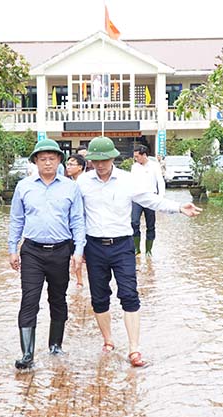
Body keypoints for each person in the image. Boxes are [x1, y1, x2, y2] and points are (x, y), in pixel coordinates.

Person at [77, 136, 201, 368]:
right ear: (90, 161)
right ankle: (108, 341)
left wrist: (177, 207)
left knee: (129, 294)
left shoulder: (127, 180)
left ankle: (134, 349)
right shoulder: (82, 183)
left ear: (114, 158)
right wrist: (78, 247)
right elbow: (74, 216)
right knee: (99, 297)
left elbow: (150, 200)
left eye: (105, 160)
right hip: (94, 247)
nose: (101, 165)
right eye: (96, 160)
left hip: (122, 246)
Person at [8, 139, 86, 370]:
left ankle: (55, 344)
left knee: (58, 298)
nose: (48, 163)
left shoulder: (70, 187)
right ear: (35, 162)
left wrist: (78, 251)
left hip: (61, 250)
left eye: (52, 158)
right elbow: (16, 220)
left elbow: (78, 221)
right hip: (32, 251)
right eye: (43, 159)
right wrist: (13, 249)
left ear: (59, 160)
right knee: (29, 299)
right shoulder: (24, 186)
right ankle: (27, 353)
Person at [130, 145, 165, 256]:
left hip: (151, 198)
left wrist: (160, 197)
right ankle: (136, 248)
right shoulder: (134, 167)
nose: (136, 159)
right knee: (134, 222)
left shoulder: (155, 166)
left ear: (144, 155)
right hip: (137, 198)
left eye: (137, 156)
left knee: (151, 224)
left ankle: (149, 250)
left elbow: (160, 181)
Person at [65, 154, 88, 286]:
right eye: (67, 164)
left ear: (80, 167)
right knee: (75, 252)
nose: (68, 167)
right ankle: (79, 281)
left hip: (85, 223)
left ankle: (83, 281)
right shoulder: (70, 183)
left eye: (72, 164)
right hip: (72, 224)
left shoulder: (83, 182)